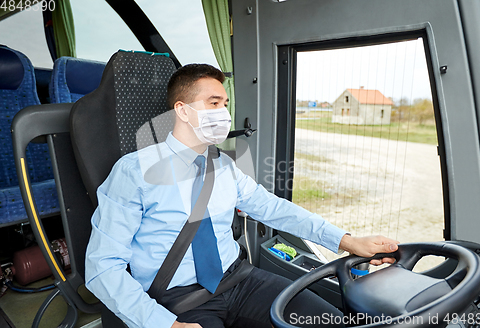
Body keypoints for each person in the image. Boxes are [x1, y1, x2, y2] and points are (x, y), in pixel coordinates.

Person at [85, 63, 399, 328]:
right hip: (176, 299)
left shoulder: (224, 165)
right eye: (213, 103)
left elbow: (275, 209)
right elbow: (103, 268)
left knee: (330, 322)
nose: (224, 112)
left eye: (224, 104)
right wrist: (162, 323)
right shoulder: (134, 171)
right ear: (182, 110)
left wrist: (346, 241)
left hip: (240, 280)